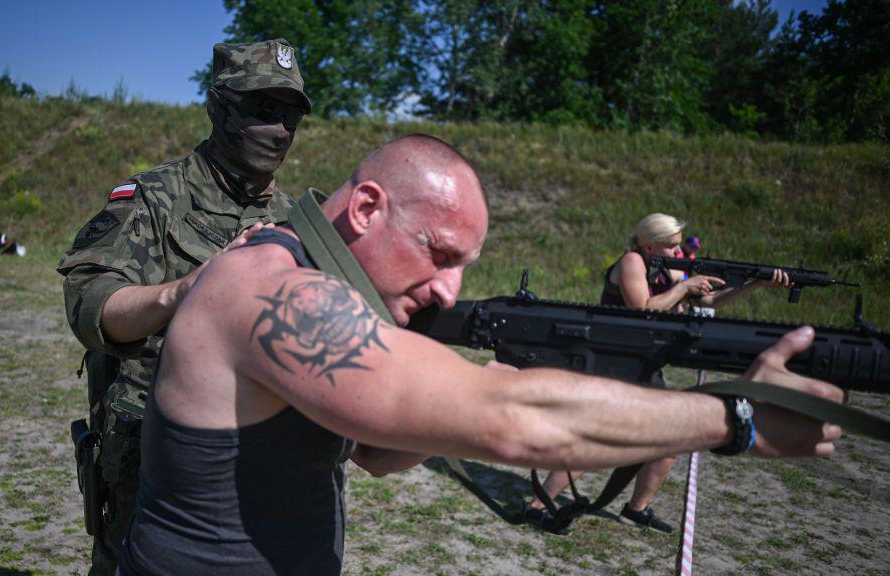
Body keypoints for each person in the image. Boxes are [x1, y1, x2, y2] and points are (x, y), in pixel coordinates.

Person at [118, 135, 841, 576]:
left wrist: (503, 373)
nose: (446, 289)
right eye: (439, 254)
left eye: (464, 266)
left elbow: (376, 451)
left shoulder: (316, 282)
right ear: (366, 210)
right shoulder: (277, 293)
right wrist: (734, 418)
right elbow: (510, 425)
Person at [57, 38, 312, 576]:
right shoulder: (155, 198)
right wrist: (183, 291)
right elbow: (91, 304)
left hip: (265, 467)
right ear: (219, 106)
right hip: (152, 461)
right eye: (263, 111)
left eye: (289, 117)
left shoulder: (303, 223)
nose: (279, 130)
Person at [530, 214, 792, 534]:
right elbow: (642, 308)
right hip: (618, 359)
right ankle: (538, 505)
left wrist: (755, 284)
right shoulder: (632, 262)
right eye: (671, 246)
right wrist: (684, 287)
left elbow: (709, 299)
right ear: (650, 245)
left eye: (679, 245)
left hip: (646, 361)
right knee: (605, 438)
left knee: (673, 438)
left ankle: (636, 509)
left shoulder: (671, 265)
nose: (678, 252)